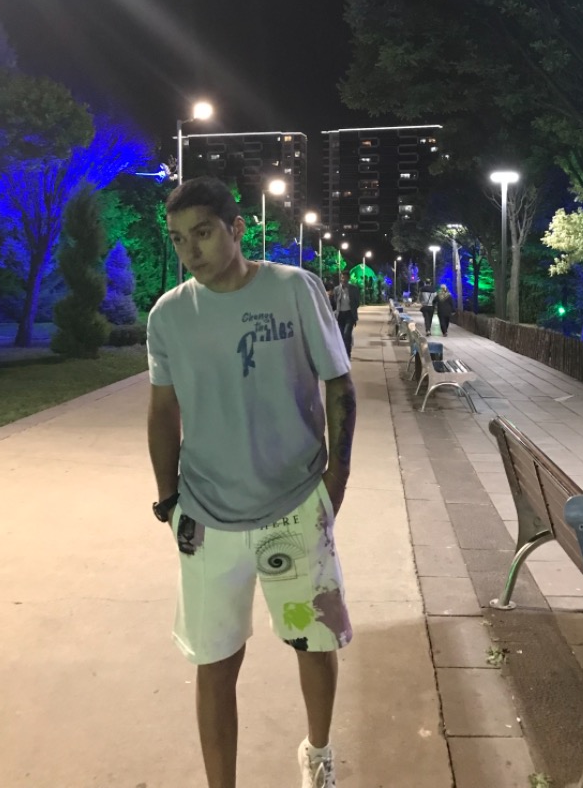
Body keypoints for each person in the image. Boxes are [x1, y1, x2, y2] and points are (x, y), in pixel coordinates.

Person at [146, 176, 356, 788]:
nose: (191, 250)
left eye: (203, 233)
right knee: (214, 663)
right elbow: (163, 410)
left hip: (295, 504)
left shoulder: (294, 289)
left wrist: (335, 483)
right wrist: (168, 500)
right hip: (207, 517)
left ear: (237, 230)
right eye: (179, 239)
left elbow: (338, 384)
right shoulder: (169, 314)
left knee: (314, 641)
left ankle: (318, 754)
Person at [332, 272, 360, 357]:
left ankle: (347, 354)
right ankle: (343, 352)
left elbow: (357, 302)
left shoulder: (353, 289)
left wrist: (353, 310)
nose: (343, 280)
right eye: (342, 278)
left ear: (348, 278)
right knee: (341, 335)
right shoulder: (337, 289)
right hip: (340, 315)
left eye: (345, 278)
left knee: (346, 333)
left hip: (349, 315)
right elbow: (335, 301)